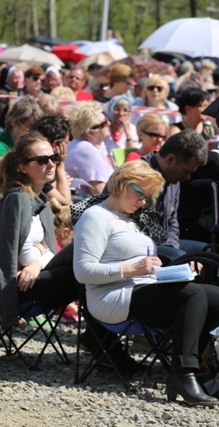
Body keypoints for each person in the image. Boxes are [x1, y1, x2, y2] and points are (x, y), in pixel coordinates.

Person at [73, 160, 219, 406]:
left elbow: (145, 267)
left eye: (148, 199)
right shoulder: (96, 216)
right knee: (192, 295)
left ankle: (206, 365)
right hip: (111, 297)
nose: (143, 203)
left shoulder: (130, 219)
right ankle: (183, 374)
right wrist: (132, 268)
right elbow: (83, 272)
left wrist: (177, 271)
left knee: (213, 294)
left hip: (141, 288)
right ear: (121, 184)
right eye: (141, 195)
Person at [0, 132, 80, 334]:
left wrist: (36, 263)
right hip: (11, 289)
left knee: (82, 258)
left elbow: (50, 252)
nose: (51, 164)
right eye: (42, 160)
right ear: (22, 167)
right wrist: (39, 253)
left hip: (32, 275)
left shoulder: (42, 201)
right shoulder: (17, 199)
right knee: (79, 259)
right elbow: (15, 256)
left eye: (54, 158)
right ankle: (99, 334)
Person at [139, 130, 209, 261]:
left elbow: (172, 222)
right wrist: (171, 251)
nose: (187, 178)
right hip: (140, 247)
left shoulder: (173, 178)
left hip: (165, 243)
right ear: (170, 159)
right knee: (180, 258)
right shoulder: (138, 176)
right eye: (185, 171)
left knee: (208, 251)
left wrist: (171, 245)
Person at [65, 101, 114, 196]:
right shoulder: (86, 151)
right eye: (104, 123)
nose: (109, 123)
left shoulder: (80, 145)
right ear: (91, 133)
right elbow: (101, 194)